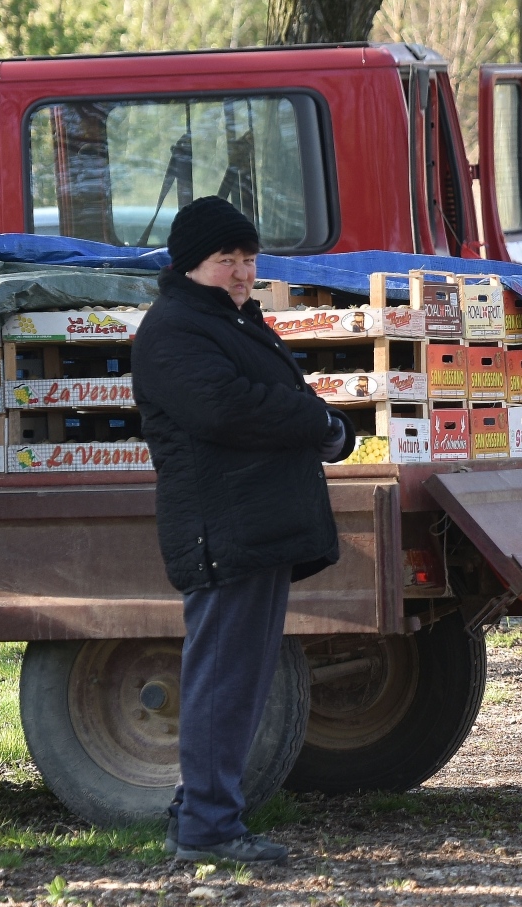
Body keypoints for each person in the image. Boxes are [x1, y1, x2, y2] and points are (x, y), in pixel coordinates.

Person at [134, 196, 356, 864]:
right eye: (225, 259)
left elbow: (268, 402)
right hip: (220, 530)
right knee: (222, 683)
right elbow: (225, 410)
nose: (240, 271)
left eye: (248, 258)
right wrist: (314, 421)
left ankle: (202, 813)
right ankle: (206, 827)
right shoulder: (174, 329)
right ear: (190, 264)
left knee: (240, 683)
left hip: (253, 529)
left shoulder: (227, 321)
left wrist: (316, 423)